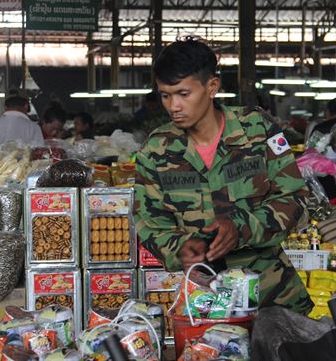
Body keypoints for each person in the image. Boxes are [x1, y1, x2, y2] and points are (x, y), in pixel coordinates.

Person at [134, 38, 313, 315]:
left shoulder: (257, 129)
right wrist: (181, 248)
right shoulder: (156, 151)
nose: (173, 106)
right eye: (165, 95)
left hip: (273, 297)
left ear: (211, 87)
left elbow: (294, 199)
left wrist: (240, 228)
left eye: (183, 93)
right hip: (205, 304)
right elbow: (149, 223)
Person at [0, 95, 44, 162]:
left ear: (5, 108)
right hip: (23, 172)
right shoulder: (33, 127)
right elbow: (39, 155)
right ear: (26, 106)